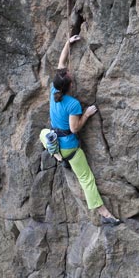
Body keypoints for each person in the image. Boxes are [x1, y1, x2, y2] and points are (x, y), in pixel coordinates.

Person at [39, 34, 120, 225]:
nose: (70, 75)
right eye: (70, 77)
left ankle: (57, 156)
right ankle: (104, 213)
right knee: (86, 179)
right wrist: (87, 114)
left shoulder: (54, 91)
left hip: (56, 142)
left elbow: (61, 62)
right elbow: (75, 129)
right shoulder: (73, 104)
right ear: (70, 86)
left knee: (43, 134)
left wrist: (68, 43)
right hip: (70, 148)